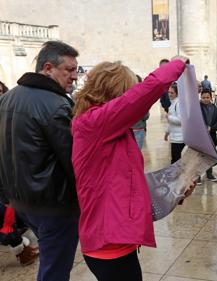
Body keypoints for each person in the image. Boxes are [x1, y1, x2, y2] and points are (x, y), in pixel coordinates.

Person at [71, 57, 188, 281]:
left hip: (116, 239)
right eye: (126, 92)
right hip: (107, 244)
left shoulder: (108, 128)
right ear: (115, 92)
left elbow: (124, 180)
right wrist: (177, 64)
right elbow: (143, 94)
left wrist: (173, 189)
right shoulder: (94, 123)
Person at [0, 41, 80, 281]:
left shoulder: (7, 98)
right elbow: (74, 161)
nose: (75, 77)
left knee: (50, 262)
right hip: (53, 205)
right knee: (55, 269)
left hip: (21, 202)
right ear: (48, 68)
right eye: (69, 70)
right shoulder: (56, 105)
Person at [197, 89, 217, 184]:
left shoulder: (216, 110)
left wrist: (212, 128)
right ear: (200, 97)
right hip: (200, 137)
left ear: (211, 97)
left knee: (209, 157)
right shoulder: (197, 108)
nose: (205, 99)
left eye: (207, 97)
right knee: (199, 157)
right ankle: (197, 176)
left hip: (211, 136)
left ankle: (209, 174)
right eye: (203, 97)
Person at [164, 82, 185, 164]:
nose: (169, 94)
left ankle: (177, 176)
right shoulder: (173, 104)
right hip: (174, 137)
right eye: (169, 92)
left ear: (177, 93)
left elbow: (181, 120)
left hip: (179, 138)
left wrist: (168, 117)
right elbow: (171, 123)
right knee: (175, 159)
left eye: (172, 93)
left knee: (175, 161)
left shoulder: (178, 104)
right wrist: (167, 132)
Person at [132, 75, 150, 150]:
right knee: (137, 153)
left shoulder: (125, 95)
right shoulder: (142, 98)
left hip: (127, 130)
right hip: (138, 129)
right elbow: (145, 116)